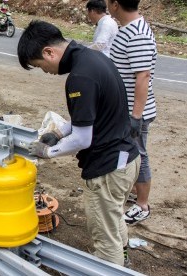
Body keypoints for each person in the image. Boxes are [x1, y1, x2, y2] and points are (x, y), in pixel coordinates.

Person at [18, 20, 140, 266]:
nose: (46, 71)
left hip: (107, 170)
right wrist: (60, 132)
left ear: (49, 52)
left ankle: (112, 268)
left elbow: (83, 139)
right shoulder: (95, 59)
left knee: (105, 240)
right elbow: (91, 115)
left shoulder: (79, 77)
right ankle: (123, 258)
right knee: (113, 218)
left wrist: (47, 151)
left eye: (40, 66)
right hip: (127, 160)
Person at [107, 0, 157, 225]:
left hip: (135, 112)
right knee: (130, 154)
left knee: (138, 154)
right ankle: (135, 194)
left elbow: (143, 76)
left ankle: (143, 205)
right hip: (126, 109)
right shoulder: (128, 29)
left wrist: (136, 116)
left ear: (115, 4)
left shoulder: (137, 34)